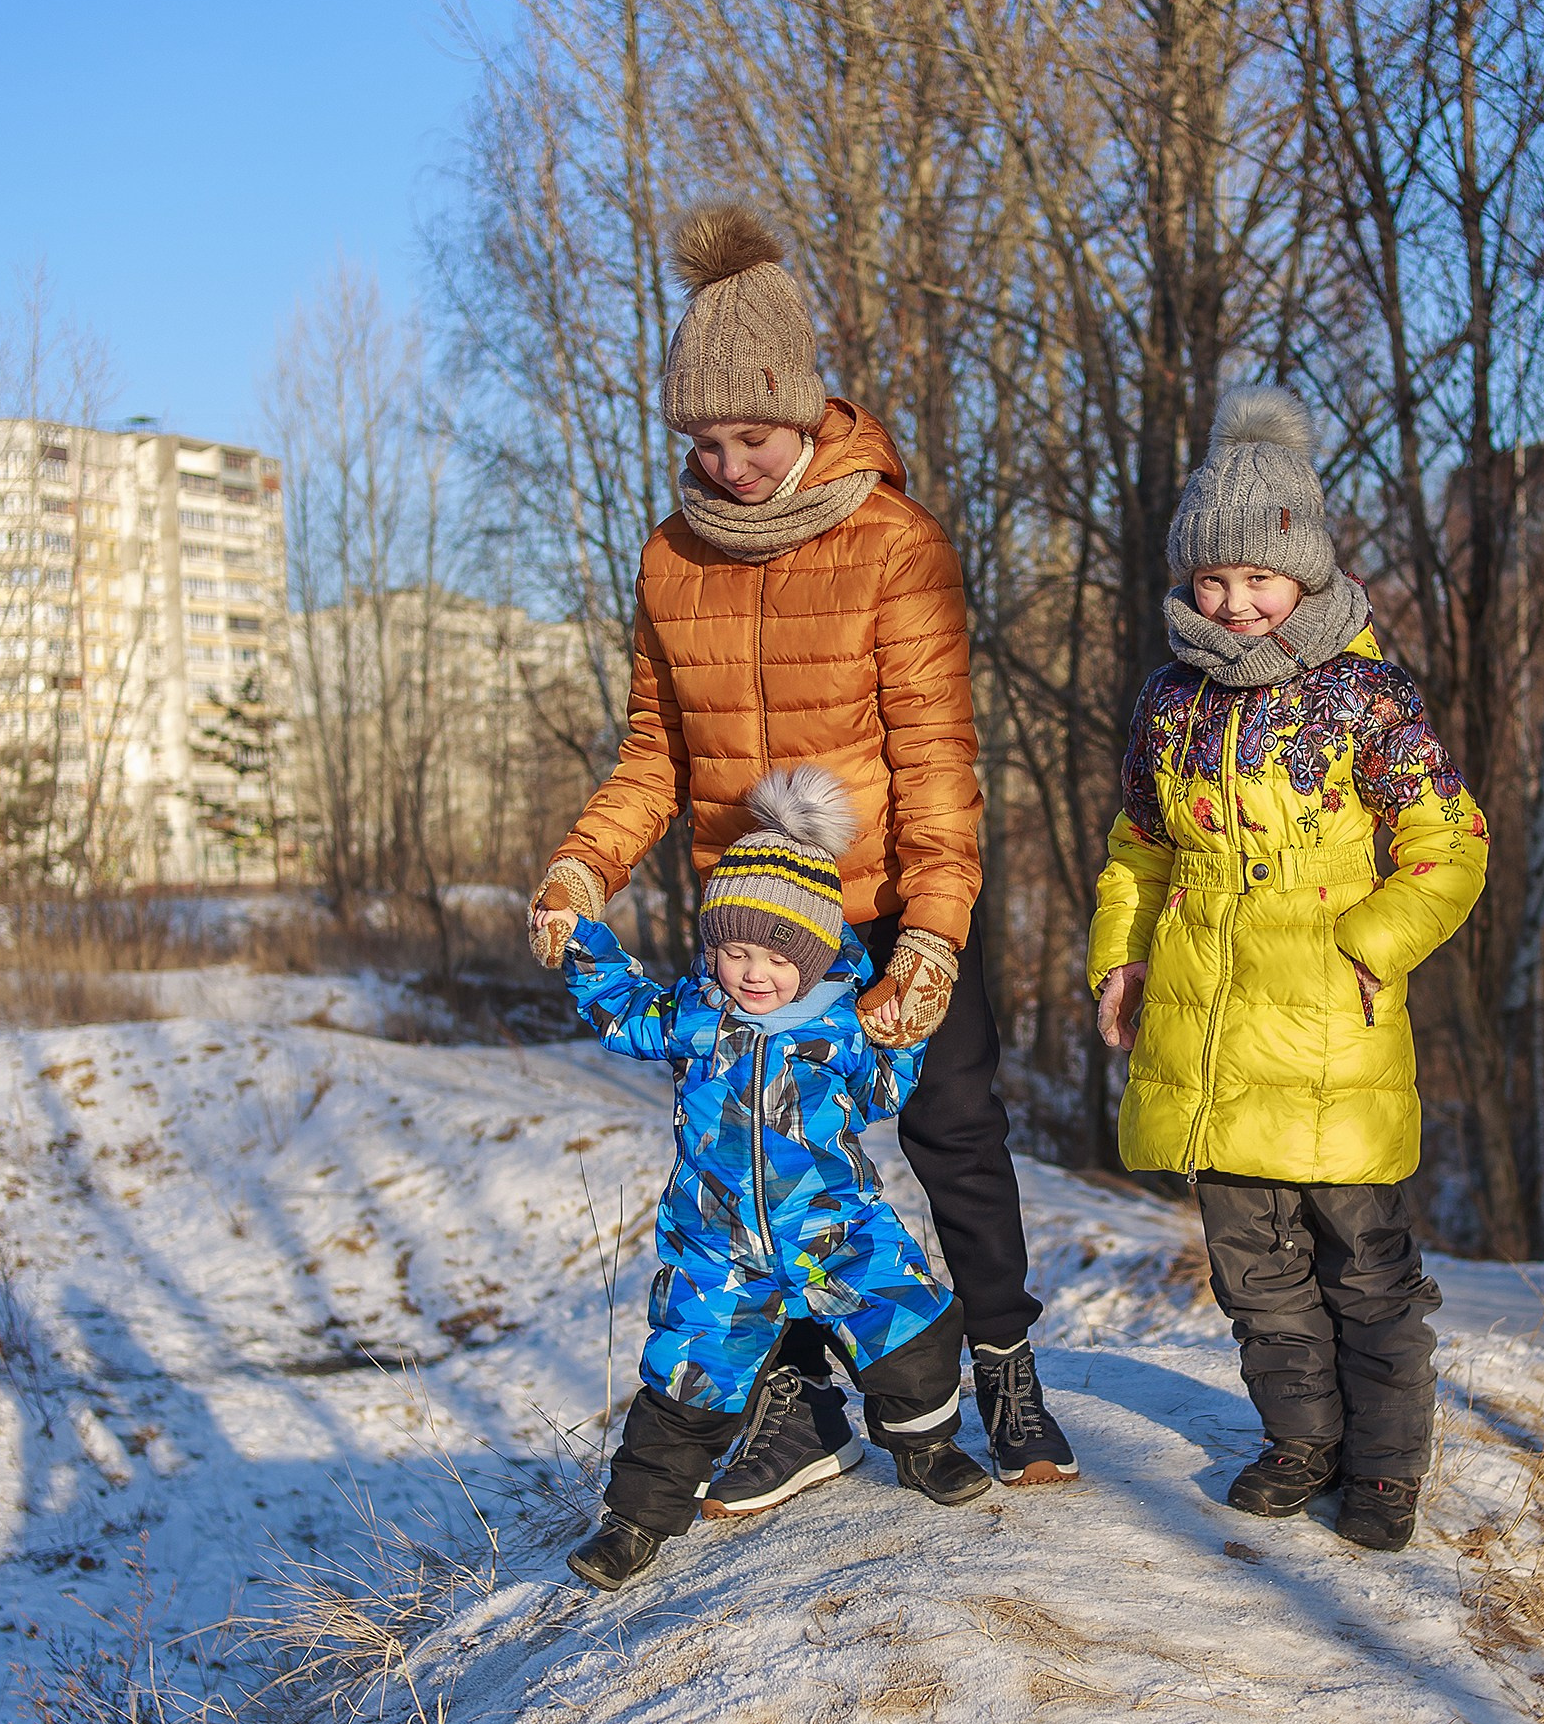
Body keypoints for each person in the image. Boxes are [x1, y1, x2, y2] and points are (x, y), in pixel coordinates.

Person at [528, 202, 1072, 1507]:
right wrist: (584, 863)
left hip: (891, 898)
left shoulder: (895, 542)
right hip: (754, 922)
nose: (728, 467)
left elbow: (939, 754)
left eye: (753, 438)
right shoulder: (672, 558)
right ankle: (797, 1405)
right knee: (748, 1153)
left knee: (949, 1129)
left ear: (806, 410)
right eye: (703, 445)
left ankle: (1001, 1369)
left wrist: (934, 935)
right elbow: (657, 746)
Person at [1089, 387, 1489, 1553]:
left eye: (1258, 580)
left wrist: (1366, 947)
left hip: (1327, 1030)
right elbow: (1139, 848)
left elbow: (1447, 844)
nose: (1235, 604)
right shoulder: (1170, 702)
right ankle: (1299, 1440)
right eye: (1212, 582)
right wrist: (1119, 960)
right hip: (1205, 1036)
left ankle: (1378, 1467)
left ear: (1305, 575)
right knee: (1253, 1276)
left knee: (1361, 1270)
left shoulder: (1366, 696)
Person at [563, 769, 994, 1594]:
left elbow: (880, 1094)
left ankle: (928, 1446)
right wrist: (579, 934)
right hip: (717, 1242)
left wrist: (907, 1035)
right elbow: (620, 1008)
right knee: (686, 1375)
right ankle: (635, 1522)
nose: (751, 973)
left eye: (773, 956)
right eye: (733, 951)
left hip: (835, 1227)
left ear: (813, 953)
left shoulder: (841, 1026)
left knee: (909, 1328)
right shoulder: (696, 1015)